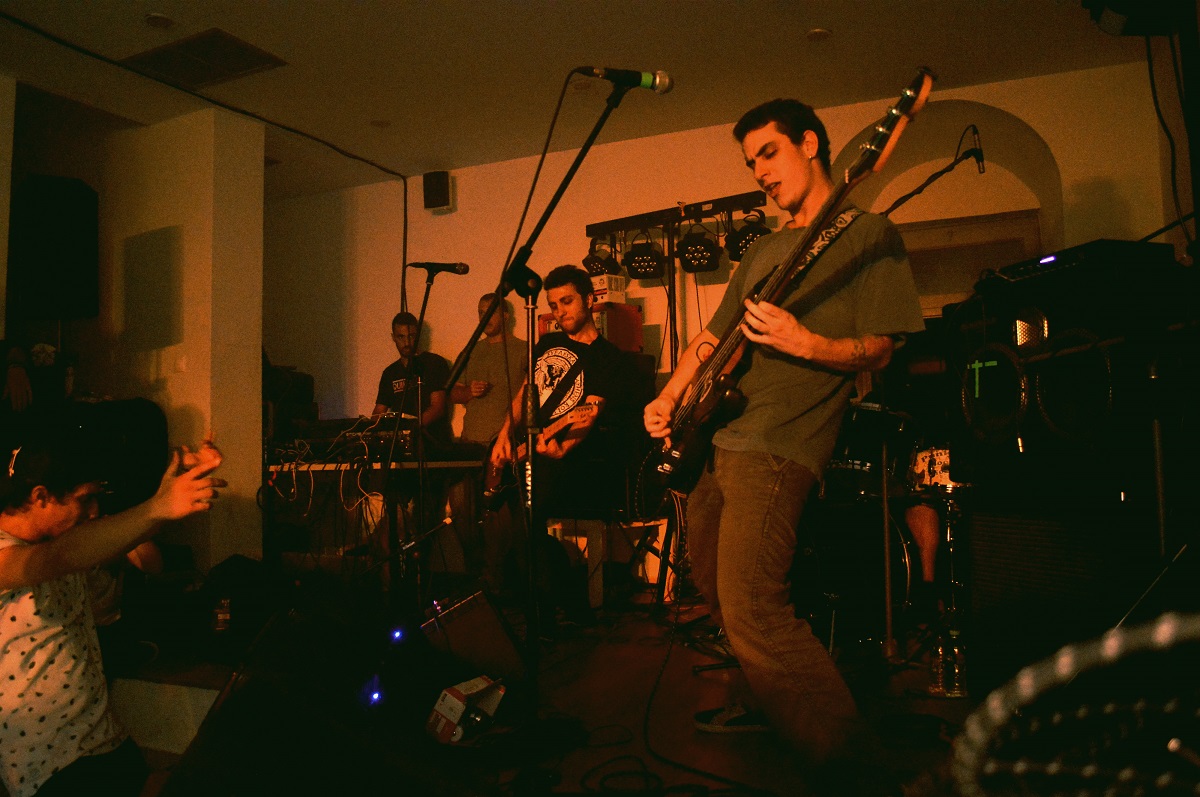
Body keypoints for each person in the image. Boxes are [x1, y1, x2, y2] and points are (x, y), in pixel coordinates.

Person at [643, 99, 924, 763]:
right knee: (714, 587)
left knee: (754, 606)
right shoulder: (765, 249)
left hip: (779, 445)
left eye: (769, 153)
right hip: (718, 437)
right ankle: (764, 701)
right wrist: (669, 395)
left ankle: (854, 766)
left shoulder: (870, 234)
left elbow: (883, 347)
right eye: (751, 163)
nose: (760, 172)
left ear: (810, 143)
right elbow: (712, 339)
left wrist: (807, 342)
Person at [0, 423, 224, 797]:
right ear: (40, 496)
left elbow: (138, 552)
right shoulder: (15, 550)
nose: (94, 511)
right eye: (85, 499)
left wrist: (170, 496)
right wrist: (158, 506)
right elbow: (55, 559)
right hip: (49, 764)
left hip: (104, 738)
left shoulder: (65, 536)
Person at [489, 266, 635, 618]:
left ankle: (543, 609)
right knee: (497, 515)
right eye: (554, 305)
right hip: (528, 450)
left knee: (525, 515)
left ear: (590, 299)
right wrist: (504, 436)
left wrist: (563, 447)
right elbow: (525, 395)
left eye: (567, 302)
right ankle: (518, 593)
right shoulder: (546, 345)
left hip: (571, 461)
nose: (559, 312)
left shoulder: (609, 358)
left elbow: (589, 413)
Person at [448, 294, 526, 590]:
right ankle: (476, 575)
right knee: (461, 508)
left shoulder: (522, 350)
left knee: (498, 515)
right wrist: (469, 391)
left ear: (505, 315)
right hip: (470, 443)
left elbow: (532, 395)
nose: (484, 318)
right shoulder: (472, 350)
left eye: (490, 312)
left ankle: (498, 578)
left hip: (504, 446)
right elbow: (451, 393)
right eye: (480, 312)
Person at [372, 311, 452, 449]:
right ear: (393, 337)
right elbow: (379, 411)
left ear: (418, 335)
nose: (406, 342)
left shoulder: (434, 363)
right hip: (401, 447)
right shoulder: (389, 373)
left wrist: (410, 429)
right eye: (401, 337)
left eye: (411, 336)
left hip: (433, 444)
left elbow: (438, 407)